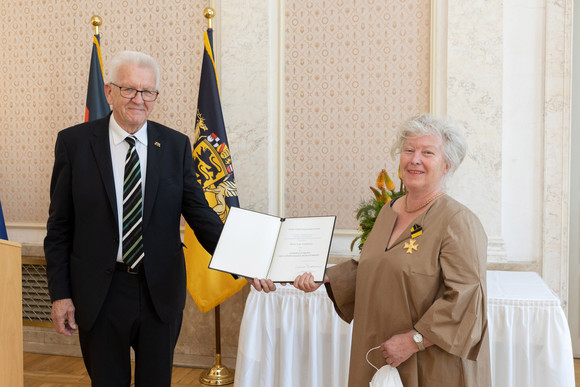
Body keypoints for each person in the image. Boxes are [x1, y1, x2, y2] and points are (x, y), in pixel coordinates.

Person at [251, 113, 490, 386]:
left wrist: (414, 342)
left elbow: (467, 300)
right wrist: (324, 276)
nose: (415, 159)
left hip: (430, 361)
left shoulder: (458, 221)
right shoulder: (389, 211)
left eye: (427, 152)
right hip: (378, 348)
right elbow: (376, 267)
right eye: (408, 150)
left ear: (447, 165)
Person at [44, 51, 224, 386]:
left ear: (155, 96)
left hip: (159, 292)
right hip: (100, 293)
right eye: (129, 89)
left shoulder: (175, 146)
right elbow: (59, 229)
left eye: (147, 92)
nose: (138, 100)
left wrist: (249, 261)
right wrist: (60, 294)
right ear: (109, 92)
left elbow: (201, 216)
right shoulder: (75, 144)